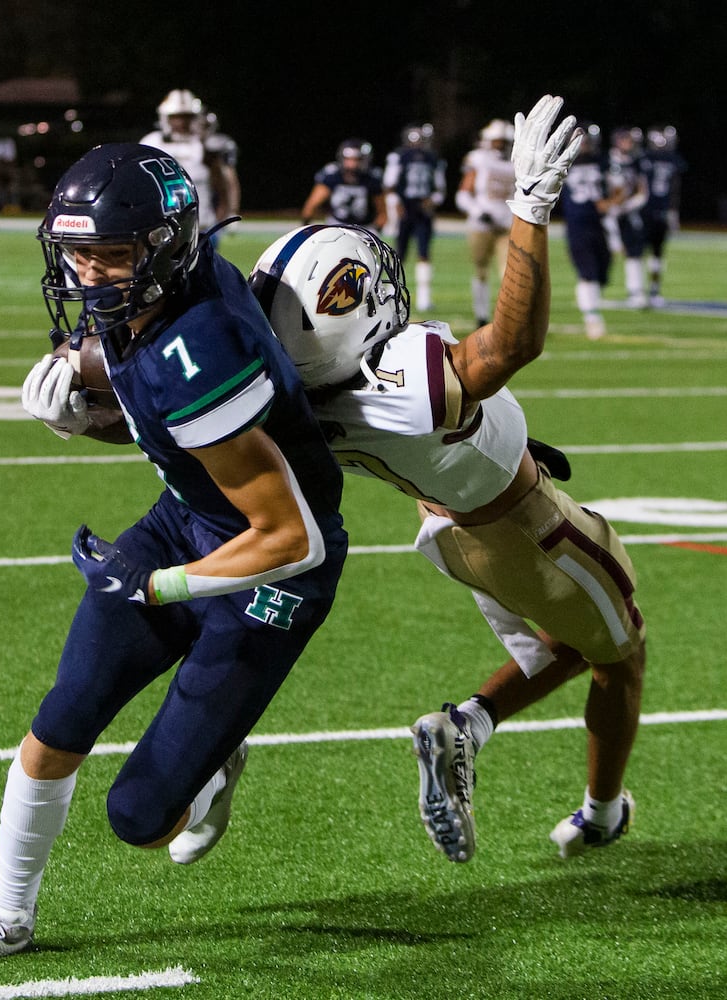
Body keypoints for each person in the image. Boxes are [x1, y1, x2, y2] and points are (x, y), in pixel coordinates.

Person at [0, 143, 348, 967]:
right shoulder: (146, 294)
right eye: (75, 253)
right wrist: (87, 417)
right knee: (63, 717)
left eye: (110, 256)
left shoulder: (199, 349)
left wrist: (155, 587)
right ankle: (9, 916)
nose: (88, 274)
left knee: (140, 820)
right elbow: (168, 432)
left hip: (274, 572)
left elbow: (291, 536)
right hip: (192, 516)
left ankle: (212, 763)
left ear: (164, 248)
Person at [249, 96, 644, 865]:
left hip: (451, 530)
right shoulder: (403, 386)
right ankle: (600, 811)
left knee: (560, 646)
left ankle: (469, 727)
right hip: (524, 527)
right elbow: (511, 343)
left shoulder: (295, 394)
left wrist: (92, 394)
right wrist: (529, 207)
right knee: (620, 657)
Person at [140, 89, 241, 235]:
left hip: (203, 224)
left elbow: (226, 183)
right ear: (165, 118)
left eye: (187, 117)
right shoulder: (152, 142)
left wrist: (229, 212)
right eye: (176, 117)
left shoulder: (207, 145)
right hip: (162, 226)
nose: (182, 122)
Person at [456, 118, 518, 326]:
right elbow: (463, 194)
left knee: (508, 271)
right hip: (482, 223)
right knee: (481, 270)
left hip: (507, 224)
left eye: (503, 141)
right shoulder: (478, 159)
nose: (500, 145)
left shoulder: (517, 162)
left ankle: (506, 317)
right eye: (496, 141)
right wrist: (477, 211)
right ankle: (481, 315)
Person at [558, 122, 616, 339]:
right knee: (588, 272)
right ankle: (592, 317)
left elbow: (617, 187)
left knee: (603, 270)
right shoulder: (563, 163)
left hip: (600, 223)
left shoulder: (603, 163)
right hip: (577, 224)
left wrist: (612, 201)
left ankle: (591, 306)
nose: (583, 146)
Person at [382, 122, 447, 312]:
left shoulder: (433, 159)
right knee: (399, 253)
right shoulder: (399, 157)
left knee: (424, 253)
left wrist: (433, 200)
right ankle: (389, 292)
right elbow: (389, 185)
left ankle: (424, 299)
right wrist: (396, 203)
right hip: (405, 207)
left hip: (423, 210)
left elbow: (439, 189)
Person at [638, 125, 687, 307]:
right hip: (654, 210)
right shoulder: (668, 160)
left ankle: (647, 290)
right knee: (653, 253)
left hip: (651, 210)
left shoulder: (645, 158)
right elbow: (675, 188)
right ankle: (649, 289)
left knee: (650, 253)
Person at [300, 137, 387, 231]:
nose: (352, 165)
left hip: (364, 228)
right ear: (341, 158)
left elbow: (382, 212)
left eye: (357, 160)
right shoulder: (332, 175)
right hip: (335, 225)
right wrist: (306, 225)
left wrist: (375, 231)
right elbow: (312, 205)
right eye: (348, 159)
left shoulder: (372, 178)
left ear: (365, 160)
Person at [606, 125, 651, 308]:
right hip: (608, 215)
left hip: (627, 214)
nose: (628, 144)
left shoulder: (636, 162)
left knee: (634, 252)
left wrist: (628, 205)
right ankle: (593, 286)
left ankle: (636, 290)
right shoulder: (606, 162)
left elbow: (642, 191)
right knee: (603, 251)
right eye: (625, 140)